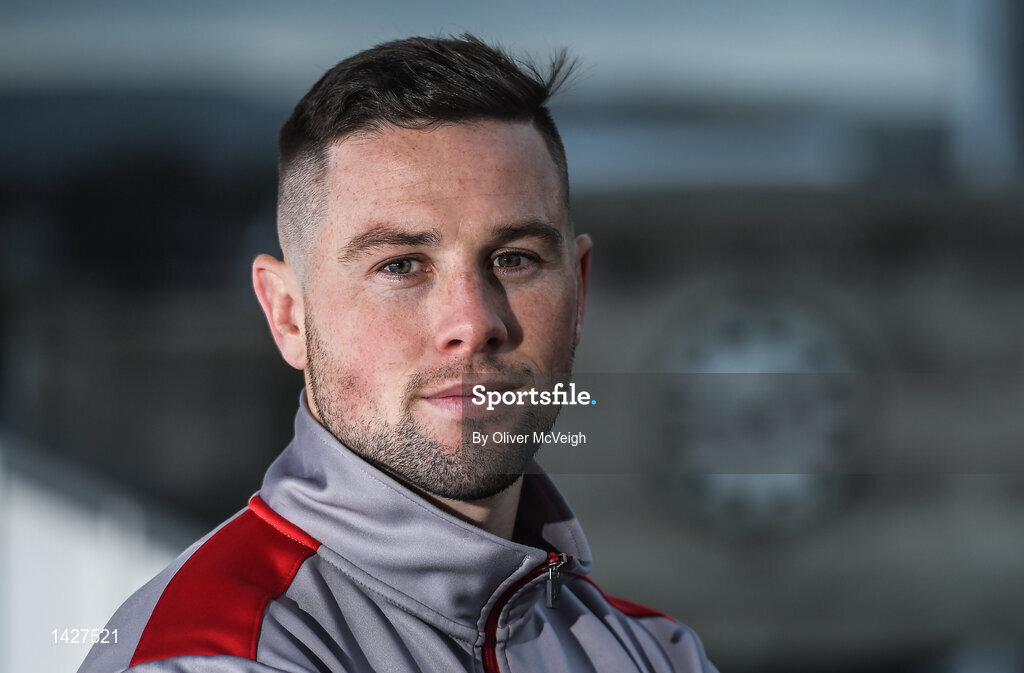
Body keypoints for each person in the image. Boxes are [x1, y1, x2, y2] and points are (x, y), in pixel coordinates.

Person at [79, 35, 717, 673]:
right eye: (403, 265)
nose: (474, 323)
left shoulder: (655, 652)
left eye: (515, 260)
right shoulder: (214, 655)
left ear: (578, 292)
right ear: (287, 314)